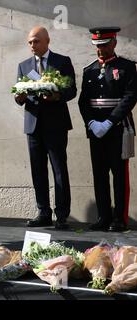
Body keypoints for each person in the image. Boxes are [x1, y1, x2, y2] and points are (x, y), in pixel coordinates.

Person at [14, 26, 77, 230]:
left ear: (47, 41)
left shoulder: (62, 61)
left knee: (59, 169)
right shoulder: (23, 66)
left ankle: (62, 215)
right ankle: (43, 212)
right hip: (33, 125)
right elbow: (18, 95)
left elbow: (72, 90)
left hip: (56, 124)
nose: (33, 45)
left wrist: (56, 95)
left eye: (36, 41)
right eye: (30, 42)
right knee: (37, 170)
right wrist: (19, 97)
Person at [78, 27, 137, 232]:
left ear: (114, 43)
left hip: (118, 129)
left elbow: (130, 97)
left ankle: (119, 218)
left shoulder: (127, 67)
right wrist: (92, 123)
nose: (100, 50)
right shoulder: (89, 70)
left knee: (119, 175)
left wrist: (110, 122)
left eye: (104, 45)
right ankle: (103, 216)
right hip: (96, 130)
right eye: (97, 46)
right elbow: (83, 101)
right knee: (99, 174)